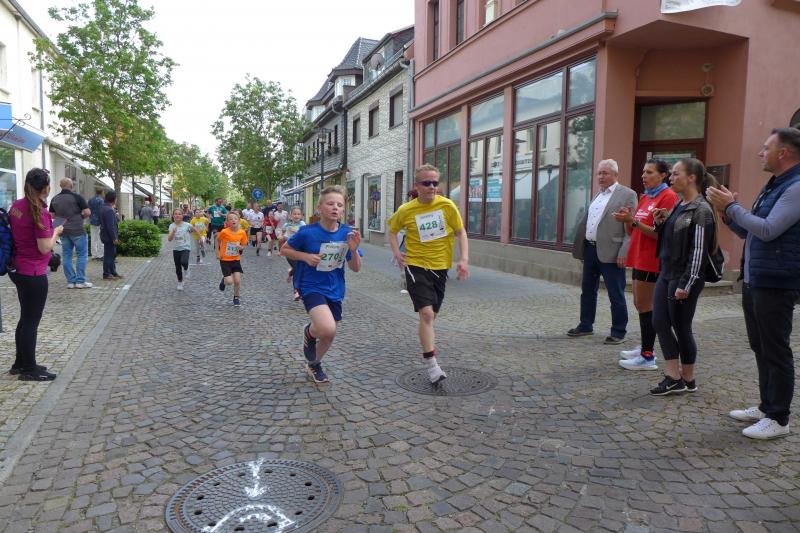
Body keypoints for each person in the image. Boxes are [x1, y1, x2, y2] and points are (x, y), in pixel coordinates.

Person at [707, 128, 800, 439]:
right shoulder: (774, 185)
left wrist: (733, 207)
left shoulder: (796, 187)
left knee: (775, 349)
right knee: (760, 346)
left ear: (783, 153)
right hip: (756, 278)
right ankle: (766, 406)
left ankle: (779, 418)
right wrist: (728, 214)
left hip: (776, 281)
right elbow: (752, 231)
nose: (761, 153)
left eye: (766, 148)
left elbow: (769, 229)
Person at [388, 164, 469, 384]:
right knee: (426, 315)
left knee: (431, 316)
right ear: (417, 185)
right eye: (427, 183)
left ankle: (427, 342)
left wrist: (463, 260)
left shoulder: (447, 206)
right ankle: (433, 366)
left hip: (441, 267)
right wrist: (397, 253)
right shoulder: (406, 210)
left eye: (435, 182)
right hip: (415, 266)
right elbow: (392, 231)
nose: (432, 187)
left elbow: (461, 232)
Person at [649, 158, 718, 396]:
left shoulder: (701, 210)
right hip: (666, 272)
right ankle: (675, 376)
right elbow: (674, 239)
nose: (671, 178)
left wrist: (686, 284)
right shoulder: (680, 204)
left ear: (691, 178)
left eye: (676, 174)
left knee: (681, 326)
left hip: (683, 277)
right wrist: (661, 223)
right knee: (659, 322)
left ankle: (686, 377)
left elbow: (698, 251)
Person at [281, 186, 362, 384]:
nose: (335, 208)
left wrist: (354, 250)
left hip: (335, 288)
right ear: (319, 208)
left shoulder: (347, 233)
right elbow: (285, 249)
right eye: (330, 203)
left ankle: (314, 363)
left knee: (328, 334)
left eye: (339, 205)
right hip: (311, 286)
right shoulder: (307, 232)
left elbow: (355, 268)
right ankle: (310, 332)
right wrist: (305, 257)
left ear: (343, 210)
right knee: (327, 328)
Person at [612, 160, 680, 370]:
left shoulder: (668, 196)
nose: (643, 176)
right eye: (643, 171)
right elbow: (633, 230)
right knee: (641, 305)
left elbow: (661, 234)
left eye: (649, 172)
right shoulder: (646, 197)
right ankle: (645, 346)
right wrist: (627, 220)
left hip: (652, 260)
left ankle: (647, 356)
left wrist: (633, 221)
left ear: (662, 175)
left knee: (646, 305)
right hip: (639, 257)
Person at [568, 159, 638, 344]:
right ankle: (586, 325)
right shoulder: (598, 194)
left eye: (605, 173)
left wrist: (624, 251)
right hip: (591, 249)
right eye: (599, 173)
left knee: (616, 293)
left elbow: (631, 227)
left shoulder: (627, 194)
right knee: (587, 290)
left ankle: (618, 331)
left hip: (612, 252)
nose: (600, 176)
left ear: (615, 174)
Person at [7, 168, 63, 381]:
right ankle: (29, 370)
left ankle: (20, 363)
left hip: (18, 268)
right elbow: (44, 247)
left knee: (25, 319)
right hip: (33, 272)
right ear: (46, 189)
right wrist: (56, 232)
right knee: (31, 322)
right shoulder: (39, 212)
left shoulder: (16, 206)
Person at [49, 177, 92, 289]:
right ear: (71, 186)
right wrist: (80, 216)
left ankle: (71, 281)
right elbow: (87, 212)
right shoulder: (77, 197)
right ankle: (80, 281)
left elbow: (51, 215)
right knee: (81, 255)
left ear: (60, 186)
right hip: (77, 230)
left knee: (66, 255)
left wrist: (61, 217)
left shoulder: (55, 198)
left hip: (63, 231)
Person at [215, 212, 248, 306]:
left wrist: (241, 247)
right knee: (229, 282)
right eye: (230, 219)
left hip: (236, 259)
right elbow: (217, 240)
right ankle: (224, 280)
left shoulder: (242, 232)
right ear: (227, 222)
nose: (233, 220)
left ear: (239, 220)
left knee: (237, 281)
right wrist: (217, 252)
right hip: (225, 260)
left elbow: (243, 244)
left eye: (235, 218)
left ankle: (236, 297)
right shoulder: (224, 232)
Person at [168, 208, 199, 290]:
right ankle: (180, 282)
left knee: (184, 261)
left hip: (185, 247)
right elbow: (169, 239)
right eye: (175, 214)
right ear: (173, 216)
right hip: (176, 249)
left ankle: (186, 268)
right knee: (177, 267)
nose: (177, 215)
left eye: (179, 214)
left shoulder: (187, 225)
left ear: (182, 216)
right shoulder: (171, 226)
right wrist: (173, 232)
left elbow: (195, 230)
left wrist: (200, 239)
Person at [281, 206, 306, 301]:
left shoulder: (303, 224)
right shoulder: (287, 225)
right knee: (297, 269)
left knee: (299, 269)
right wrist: (283, 236)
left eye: (298, 214)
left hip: (301, 251)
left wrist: (295, 231)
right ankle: (296, 291)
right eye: (294, 214)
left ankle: (291, 273)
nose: (296, 216)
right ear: (291, 215)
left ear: (301, 216)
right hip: (290, 251)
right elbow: (284, 236)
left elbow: (305, 234)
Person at [100, 191, 122, 280]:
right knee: (109, 255)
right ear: (113, 199)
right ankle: (107, 273)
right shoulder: (109, 210)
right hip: (109, 236)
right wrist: (114, 238)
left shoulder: (103, 207)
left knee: (111, 254)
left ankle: (113, 272)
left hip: (105, 234)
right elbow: (110, 226)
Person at [88, 189, 104, 260]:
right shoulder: (101, 200)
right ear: (102, 192)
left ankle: (94, 255)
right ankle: (100, 255)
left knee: (93, 239)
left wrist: (91, 217)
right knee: (100, 238)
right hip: (100, 221)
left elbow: (88, 210)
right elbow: (102, 211)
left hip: (92, 220)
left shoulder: (91, 200)